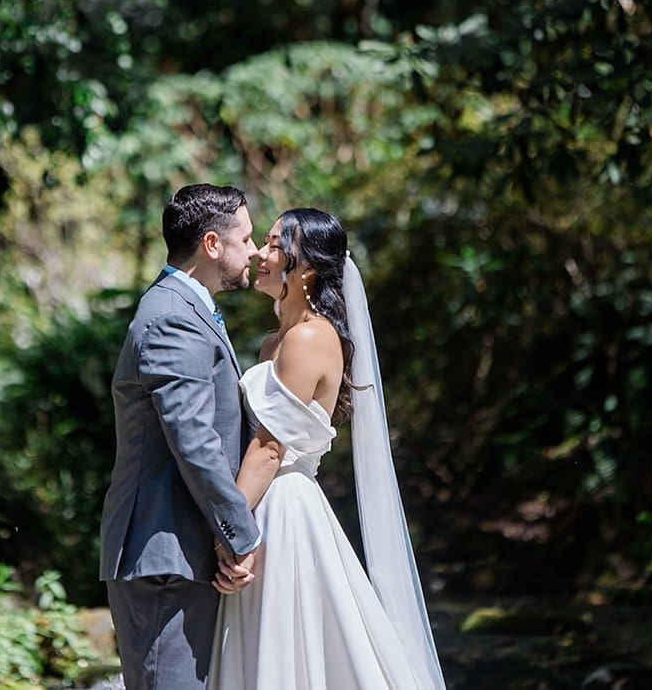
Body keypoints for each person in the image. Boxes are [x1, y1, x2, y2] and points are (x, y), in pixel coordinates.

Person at [208, 207, 447, 690]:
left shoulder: (311, 337)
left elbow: (269, 448)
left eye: (275, 245)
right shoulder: (273, 342)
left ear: (308, 269)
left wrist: (225, 533)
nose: (261, 254)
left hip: (286, 511)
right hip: (262, 505)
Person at [99, 184, 264, 690]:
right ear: (213, 245)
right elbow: (193, 438)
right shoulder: (174, 317)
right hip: (165, 550)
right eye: (247, 239)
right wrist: (241, 535)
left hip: (178, 550)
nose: (255, 252)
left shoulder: (186, 308)